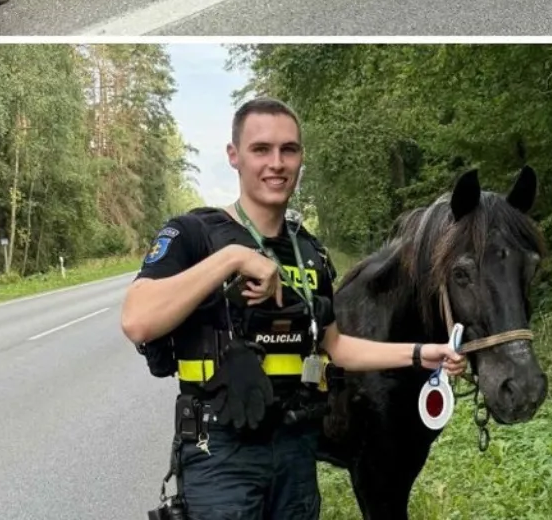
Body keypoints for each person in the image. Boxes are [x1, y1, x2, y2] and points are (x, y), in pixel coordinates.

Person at [120, 99, 466, 520]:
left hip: (297, 451)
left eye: (289, 150)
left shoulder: (309, 253)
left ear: (301, 158)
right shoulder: (193, 234)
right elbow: (137, 320)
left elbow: (336, 348)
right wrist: (231, 259)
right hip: (221, 451)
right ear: (234, 156)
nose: (277, 163)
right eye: (261, 149)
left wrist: (418, 352)